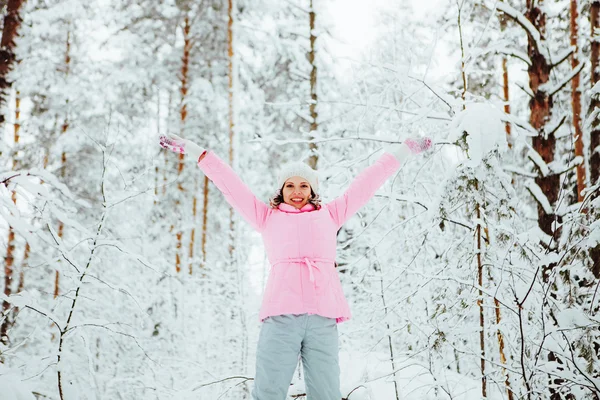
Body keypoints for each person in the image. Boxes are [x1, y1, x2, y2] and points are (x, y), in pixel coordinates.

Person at [158, 133, 431, 400]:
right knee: (268, 391)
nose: (297, 192)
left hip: (322, 318)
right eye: (290, 185)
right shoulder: (266, 217)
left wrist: (404, 150)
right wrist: (196, 151)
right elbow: (230, 184)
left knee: (326, 394)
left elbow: (367, 182)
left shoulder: (331, 214)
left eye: (303, 185)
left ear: (312, 190)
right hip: (281, 317)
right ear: (281, 190)